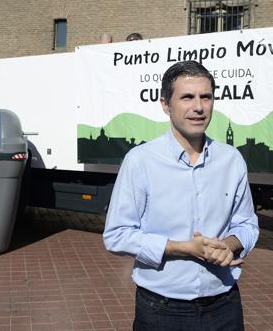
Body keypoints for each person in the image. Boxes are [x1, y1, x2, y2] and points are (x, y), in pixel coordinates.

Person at [103, 60, 259, 331]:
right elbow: (117, 235)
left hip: (224, 304)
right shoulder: (141, 161)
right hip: (162, 310)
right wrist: (182, 248)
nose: (198, 107)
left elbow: (247, 224)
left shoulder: (231, 160)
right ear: (166, 104)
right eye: (187, 97)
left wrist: (229, 246)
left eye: (206, 97)